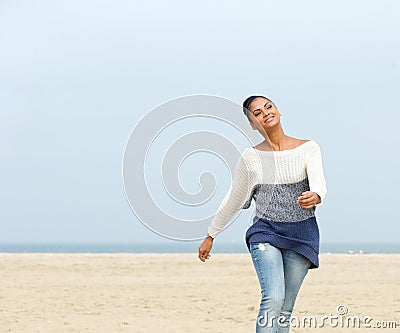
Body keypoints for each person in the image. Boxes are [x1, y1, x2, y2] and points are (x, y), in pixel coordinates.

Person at [197, 95, 327, 333]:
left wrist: (316, 195)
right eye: (257, 113)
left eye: (268, 107)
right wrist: (211, 234)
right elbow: (234, 200)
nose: (265, 112)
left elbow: (319, 183)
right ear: (253, 124)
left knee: (286, 309)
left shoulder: (308, 148)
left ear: (278, 111)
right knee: (273, 298)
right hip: (265, 232)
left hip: (302, 234)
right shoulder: (250, 158)